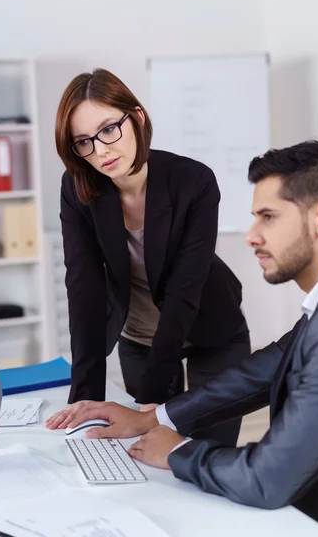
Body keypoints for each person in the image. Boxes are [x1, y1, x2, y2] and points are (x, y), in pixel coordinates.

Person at [47, 140, 318, 536]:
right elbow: (264, 368)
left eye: (268, 218)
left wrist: (177, 452)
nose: (251, 236)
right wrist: (149, 418)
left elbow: (266, 479)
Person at [48, 67, 250, 444]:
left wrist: (154, 398)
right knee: (143, 454)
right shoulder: (77, 189)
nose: (101, 149)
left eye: (109, 129)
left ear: (136, 117)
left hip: (211, 329)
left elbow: (184, 290)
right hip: (139, 336)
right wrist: (86, 395)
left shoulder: (194, 181)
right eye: (84, 142)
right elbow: (83, 286)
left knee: (206, 453)